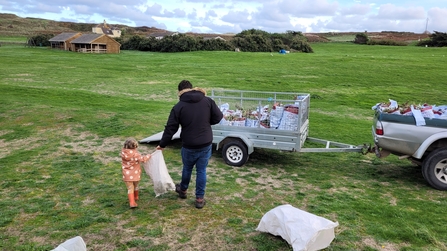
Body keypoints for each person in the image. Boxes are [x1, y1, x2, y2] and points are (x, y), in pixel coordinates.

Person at [156, 80, 223, 209]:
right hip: (206, 142)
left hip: (189, 144)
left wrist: (162, 145)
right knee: (201, 170)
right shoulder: (207, 101)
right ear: (192, 88)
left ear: (179, 92)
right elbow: (218, 117)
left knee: (187, 168)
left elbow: (171, 128)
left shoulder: (178, 107)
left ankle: (183, 190)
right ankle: (199, 199)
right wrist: (206, 122)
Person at [121, 138, 152, 208]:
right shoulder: (135, 154)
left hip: (126, 174)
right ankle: (136, 197)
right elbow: (143, 159)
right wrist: (148, 156)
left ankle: (132, 201)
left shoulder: (123, 152)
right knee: (136, 185)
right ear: (135, 146)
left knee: (130, 188)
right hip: (135, 173)